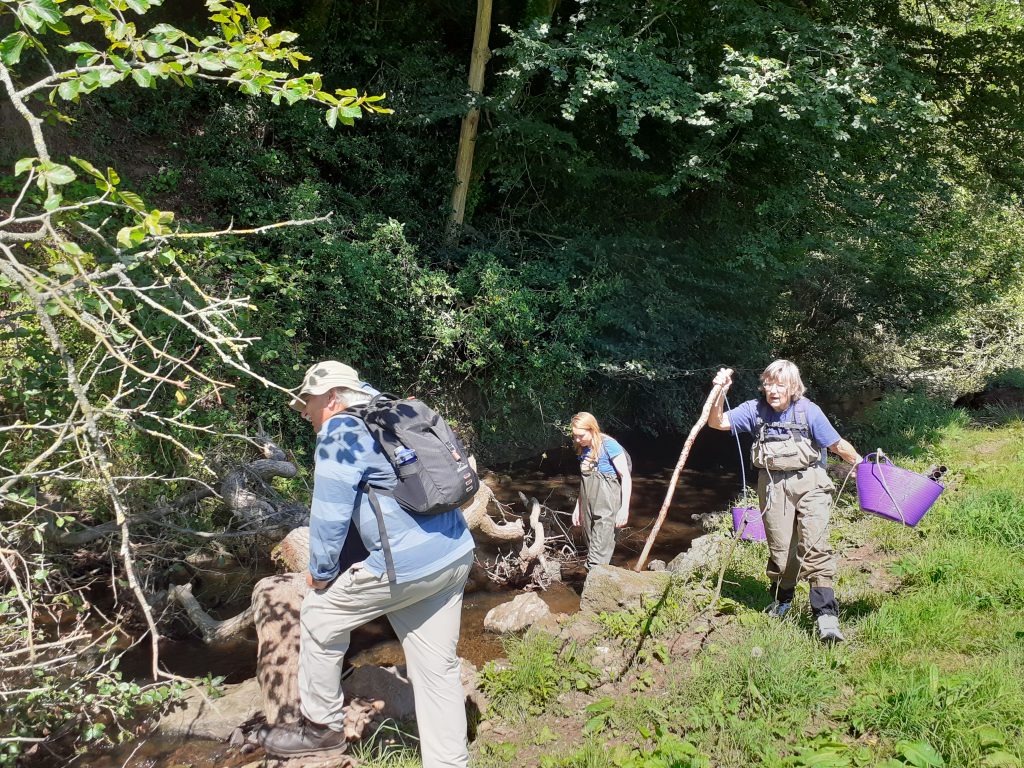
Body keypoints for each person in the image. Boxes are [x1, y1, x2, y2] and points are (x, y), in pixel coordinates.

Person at [258, 361, 476, 765]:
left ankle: (321, 729)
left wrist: (321, 575)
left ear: (332, 396)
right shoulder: (391, 409)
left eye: (308, 402)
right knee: (437, 669)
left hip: (405, 566)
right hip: (455, 552)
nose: (305, 412)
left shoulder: (341, 430)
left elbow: (329, 513)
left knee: (319, 618)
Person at [707, 360, 862, 643]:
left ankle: (825, 615)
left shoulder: (809, 411)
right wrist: (719, 392)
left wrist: (863, 467)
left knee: (814, 546)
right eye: (768, 384)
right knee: (781, 553)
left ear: (793, 387)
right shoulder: (754, 410)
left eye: (780, 385)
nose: (773, 390)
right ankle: (782, 599)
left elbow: (836, 445)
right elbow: (717, 422)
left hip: (811, 483)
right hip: (772, 486)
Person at [569, 412, 632, 568]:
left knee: (596, 558)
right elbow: (584, 481)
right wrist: (578, 507)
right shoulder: (582, 448)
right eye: (575, 436)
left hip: (608, 504)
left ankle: (593, 588)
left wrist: (624, 509)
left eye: (581, 435)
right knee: (592, 548)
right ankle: (605, 580)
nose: (577, 440)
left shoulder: (610, 445)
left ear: (592, 429)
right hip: (588, 504)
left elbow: (626, 477)